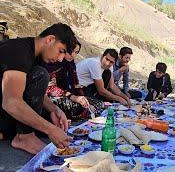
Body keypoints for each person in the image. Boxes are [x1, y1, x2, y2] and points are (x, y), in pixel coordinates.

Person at [0, 23, 76, 154]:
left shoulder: (36, 56)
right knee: (40, 74)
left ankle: (16, 133)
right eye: (61, 51)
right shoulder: (19, 50)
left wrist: (54, 109)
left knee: (50, 120)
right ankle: (25, 137)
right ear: (50, 39)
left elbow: (31, 90)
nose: (60, 58)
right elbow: (11, 103)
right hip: (6, 105)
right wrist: (50, 130)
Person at [45, 40, 104, 120]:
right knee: (75, 106)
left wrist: (82, 97)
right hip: (55, 97)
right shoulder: (53, 63)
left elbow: (76, 84)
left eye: (76, 52)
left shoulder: (71, 65)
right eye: (71, 51)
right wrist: (72, 97)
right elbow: (51, 89)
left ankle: (85, 112)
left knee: (98, 103)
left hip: (72, 95)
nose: (73, 55)